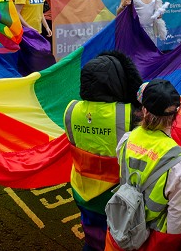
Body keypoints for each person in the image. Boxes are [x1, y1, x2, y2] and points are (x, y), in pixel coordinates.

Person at [65, 51, 143, 251]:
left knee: (92, 238)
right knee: (115, 241)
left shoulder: (71, 110)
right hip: (114, 196)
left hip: (82, 189)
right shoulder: (129, 114)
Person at [105, 79, 181, 251]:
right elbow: (176, 221)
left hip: (121, 226)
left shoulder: (126, 140)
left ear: (144, 110)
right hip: (152, 239)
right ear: (175, 115)